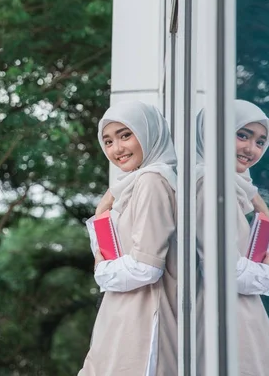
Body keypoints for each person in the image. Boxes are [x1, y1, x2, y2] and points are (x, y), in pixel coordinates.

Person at [78, 101, 178, 376]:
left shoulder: (152, 181)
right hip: (125, 314)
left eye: (125, 135)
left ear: (149, 132)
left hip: (143, 322)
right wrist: (103, 208)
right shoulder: (134, 184)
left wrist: (101, 270)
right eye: (108, 141)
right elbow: (113, 249)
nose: (116, 149)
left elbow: (146, 267)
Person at [195, 100, 269, 375]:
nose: (251, 149)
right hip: (225, 319)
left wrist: (262, 210)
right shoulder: (210, 185)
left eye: (260, 141)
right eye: (242, 135)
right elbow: (229, 272)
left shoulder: (232, 188)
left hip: (236, 313)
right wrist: (265, 272)